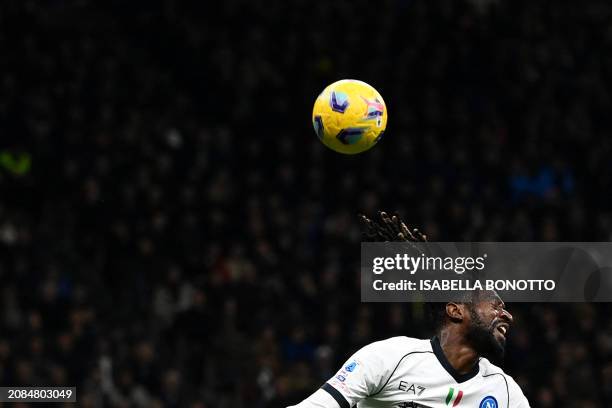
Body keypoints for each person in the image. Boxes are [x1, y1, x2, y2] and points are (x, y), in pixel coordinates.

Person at [287, 212, 529, 408]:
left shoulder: (505, 393)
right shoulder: (389, 359)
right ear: (456, 311)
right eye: (495, 305)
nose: (507, 315)